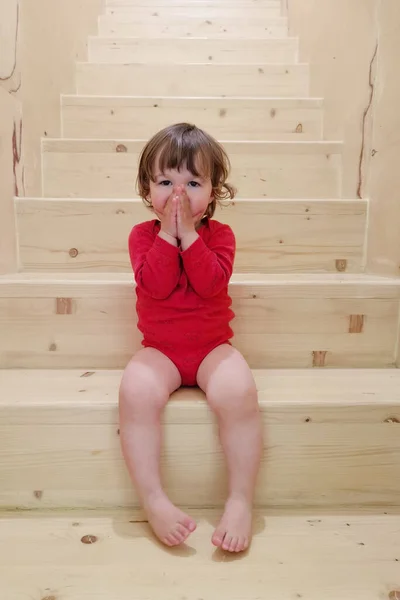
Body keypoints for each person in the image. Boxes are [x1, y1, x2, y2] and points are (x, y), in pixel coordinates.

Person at [119, 123, 263, 553]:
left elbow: (210, 285)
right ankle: (153, 499)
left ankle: (240, 499)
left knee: (239, 392)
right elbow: (156, 287)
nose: (178, 195)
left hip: (211, 349)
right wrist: (168, 236)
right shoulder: (142, 237)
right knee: (134, 391)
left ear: (214, 192)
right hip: (160, 352)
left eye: (192, 183)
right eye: (166, 181)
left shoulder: (221, 237)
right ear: (148, 190)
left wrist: (191, 238)